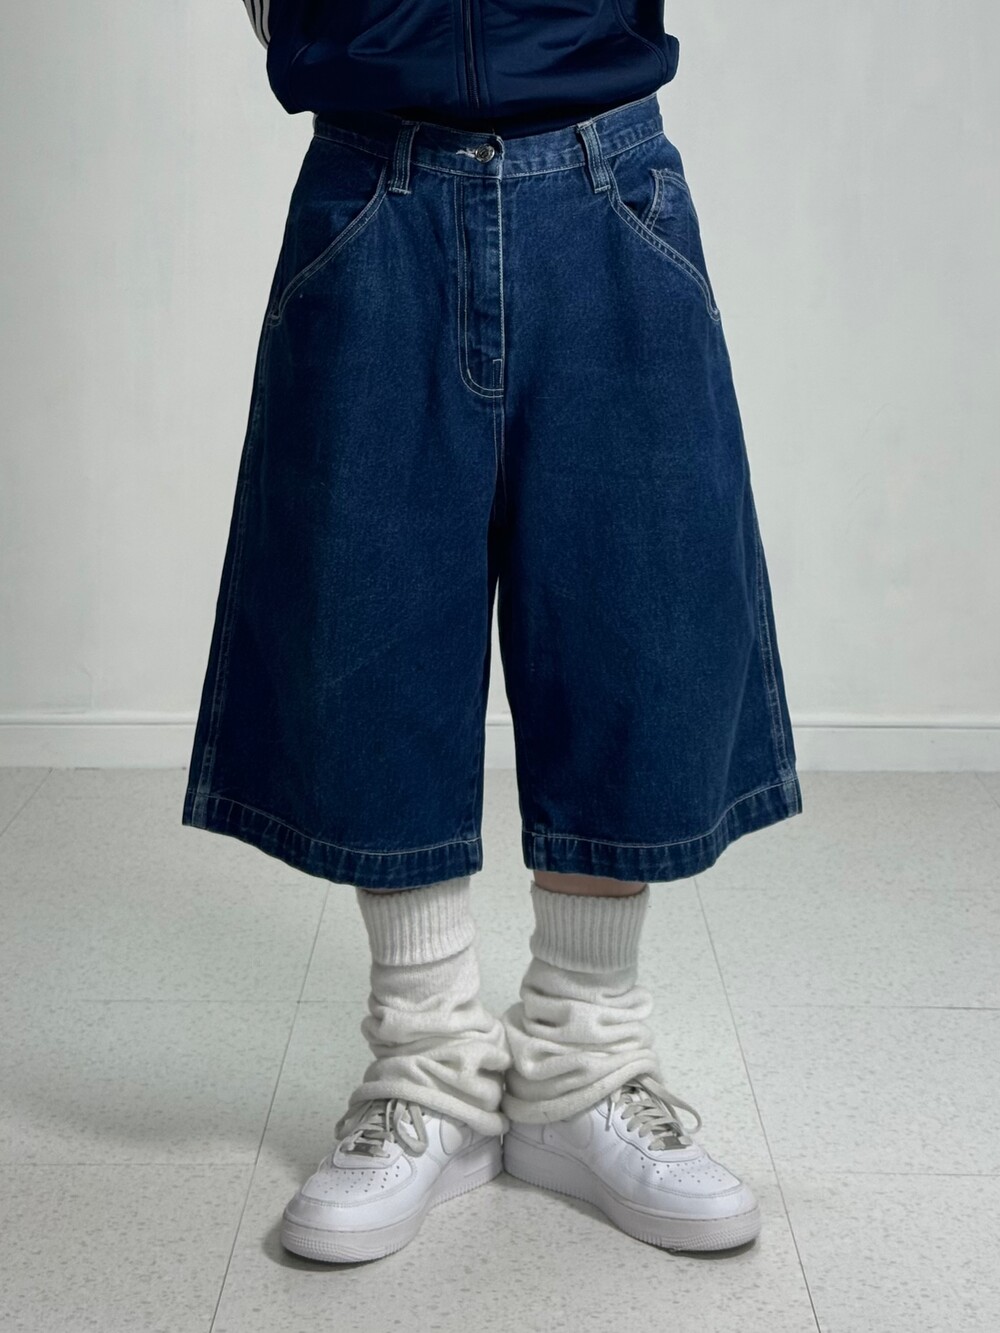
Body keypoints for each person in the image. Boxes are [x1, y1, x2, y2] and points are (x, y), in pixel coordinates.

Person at [182, 1, 803, 1263]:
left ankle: (585, 1061)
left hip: (608, 176)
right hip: (374, 180)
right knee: (368, 620)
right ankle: (428, 1069)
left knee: (638, 619)